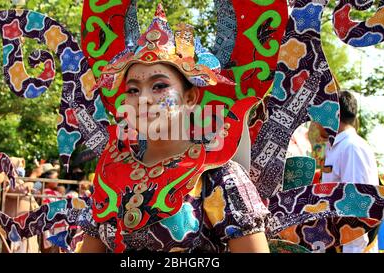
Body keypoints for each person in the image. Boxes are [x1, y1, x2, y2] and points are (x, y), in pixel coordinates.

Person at [77, 5, 270, 253]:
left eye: (158, 86)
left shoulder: (217, 177)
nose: (143, 98)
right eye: (133, 90)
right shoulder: (110, 172)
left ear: (190, 98)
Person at [321, 91, 379, 253]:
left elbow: (356, 208)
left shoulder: (352, 147)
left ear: (334, 113)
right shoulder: (336, 147)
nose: (317, 120)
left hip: (353, 247)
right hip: (337, 243)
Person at [2, 156, 40, 253]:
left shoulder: (19, 180)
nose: (21, 169)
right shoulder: (6, 180)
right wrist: (33, 176)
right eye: (19, 166)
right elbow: (20, 190)